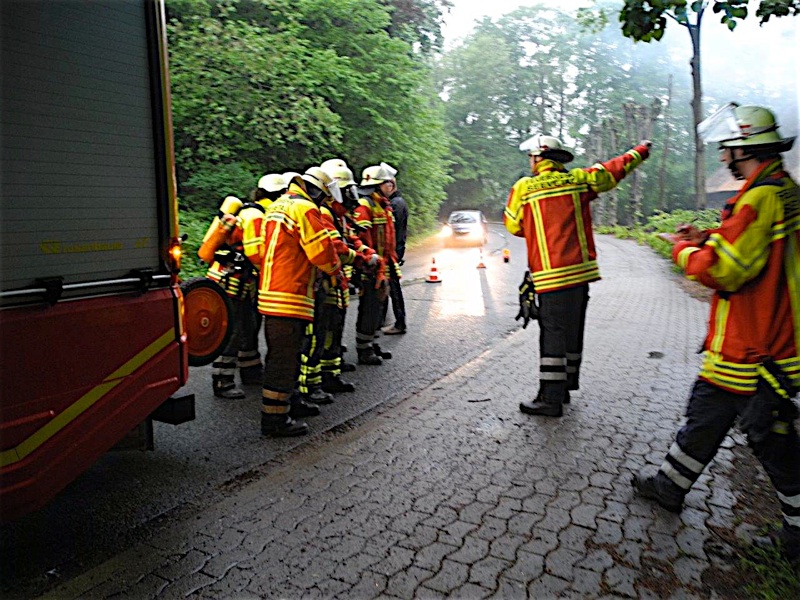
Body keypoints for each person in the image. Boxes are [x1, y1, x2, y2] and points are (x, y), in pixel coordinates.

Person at [632, 104, 800, 563]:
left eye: (728, 146)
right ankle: (669, 486)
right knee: (705, 414)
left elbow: (728, 269)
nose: (724, 153)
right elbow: (749, 243)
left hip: (760, 349)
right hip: (746, 346)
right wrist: (707, 235)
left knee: (772, 440)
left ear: (743, 147)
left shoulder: (758, 198)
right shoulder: (782, 191)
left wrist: (686, 250)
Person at [504, 134, 652, 417]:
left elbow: (513, 226)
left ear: (538, 158)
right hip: (580, 274)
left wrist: (537, 228)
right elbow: (613, 170)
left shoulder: (525, 187)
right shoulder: (580, 180)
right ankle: (567, 385)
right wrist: (640, 151)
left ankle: (550, 399)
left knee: (553, 334)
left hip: (550, 276)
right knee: (573, 328)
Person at [243, 169, 341, 437]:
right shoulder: (305, 208)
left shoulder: (278, 204)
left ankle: (291, 403)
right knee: (283, 358)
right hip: (291, 294)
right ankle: (275, 420)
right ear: (318, 192)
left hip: (272, 291)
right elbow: (321, 251)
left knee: (287, 353)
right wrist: (336, 273)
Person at [199, 195, 260, 399]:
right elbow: (255, 252)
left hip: (237, 282)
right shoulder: (252, 218)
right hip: (229, 283)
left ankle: (250, 371)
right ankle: (222, 380)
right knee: (232, 332)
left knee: (248, 327)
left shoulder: (241, 217)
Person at [353, 163, 398, 365]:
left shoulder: (383, 205)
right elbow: (358, 238)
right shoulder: (365, 206)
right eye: (388, 183)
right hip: (369, 268)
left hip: (383, 267)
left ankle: (372, 343)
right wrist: (369, 261)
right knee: (369, 309)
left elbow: (388, 239)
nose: (392, 187)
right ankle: (364, 349)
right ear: (378, 185)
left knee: (379, 308)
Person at [381, 172, 408, 335]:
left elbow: (393, 231)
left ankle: (399, 323)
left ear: (391, 186)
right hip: (395, 251)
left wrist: (394, 253)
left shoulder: (396, 204)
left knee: (393, 288)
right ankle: (382, 322)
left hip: (393, 252)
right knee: (387, 286)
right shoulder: (397, 201)